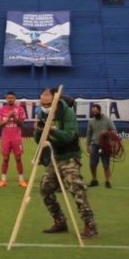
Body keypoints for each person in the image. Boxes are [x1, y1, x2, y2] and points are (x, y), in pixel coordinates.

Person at [34, 88, 98, 238]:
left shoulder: (67, 113)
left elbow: (69, 136)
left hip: (70, 156)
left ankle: (90, 225)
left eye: (48, 104)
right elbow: (40, 141)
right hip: (55, 157)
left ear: (55, 101)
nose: (45, 107)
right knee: (45, 189)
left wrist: (50, 130)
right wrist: (38, 132)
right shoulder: (42, 114)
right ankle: (60, 221)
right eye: (42, 104)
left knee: (76, 188)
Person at [0, 91, 28, 188]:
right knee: (5, 159)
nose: (10, 99)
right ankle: (3, 180)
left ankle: (21, 180)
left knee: (18, 159)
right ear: (6, 99)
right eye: (8, 97)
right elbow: (0, 124)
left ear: (15, 98)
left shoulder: (20, 109)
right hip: (6, 138)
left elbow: (22, 125)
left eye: (12, 97)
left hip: (16, 138)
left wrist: (15, 117)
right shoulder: (2, 110)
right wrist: (8, 117)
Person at [86, 103, 117, 188]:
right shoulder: (91, 121)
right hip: (94, 145)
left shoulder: (108, 120)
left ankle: (107, 181)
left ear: (99, 110)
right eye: (93, 112)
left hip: (105, 145)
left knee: (106, 165)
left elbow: (114, 131)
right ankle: (94, 180)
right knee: (92, 164)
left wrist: (107, 132)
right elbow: (88, 134)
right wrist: (87, 145)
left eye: (96, 111)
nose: (94, 113)